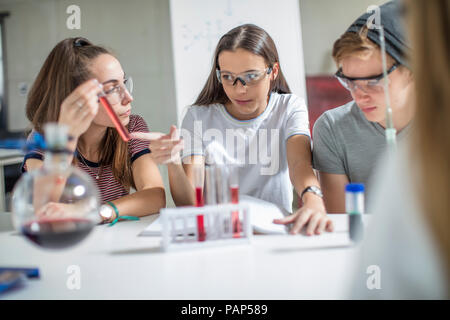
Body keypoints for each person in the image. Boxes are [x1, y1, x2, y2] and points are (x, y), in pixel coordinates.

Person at [131, 24, 333, 235]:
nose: (239, 89)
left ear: (273, 71)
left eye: (251, 76)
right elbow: (190, 201)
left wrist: (313, 198)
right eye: (227, 77)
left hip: (270, 232)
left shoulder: (289, 107)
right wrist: (173, 163)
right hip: (218, 233)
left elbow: (299, 163)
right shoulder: (198, 116)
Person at [352, 0, 449, 299]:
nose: (360, 92)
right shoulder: (413, 165)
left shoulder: (418, 163)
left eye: (375, 76)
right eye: (352, 79)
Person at [23, 37, 166, 223]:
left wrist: (97, 213)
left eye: (124, 82)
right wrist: (67, 136)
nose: (128, 97)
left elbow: (155, 196)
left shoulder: (132, 127)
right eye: (113, 88)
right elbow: (43, 208)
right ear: (77, 97)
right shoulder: (44, 138)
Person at [312, 1, 415, 212]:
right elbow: (342, 224)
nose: (359, 97)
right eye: (350, 82)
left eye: (374, 82)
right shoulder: (333, 128)